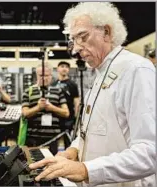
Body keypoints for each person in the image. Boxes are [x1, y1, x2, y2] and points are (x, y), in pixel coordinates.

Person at [29, 2, 156, 187]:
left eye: (83, 36)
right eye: (73, 40)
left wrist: (86, 170)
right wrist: (73, 149)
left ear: (107, 32)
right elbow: (93, 131)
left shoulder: (136, 70)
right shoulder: (100, 74)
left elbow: (150, 152)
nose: (76, 49)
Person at [22, 62, 70, 155]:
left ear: (51, 75)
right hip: (33, 138)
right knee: (32, 164)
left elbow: (66, 113)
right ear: (36, 75)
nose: (44, 78)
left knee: (51, 165)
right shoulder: (28, 91)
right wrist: (38, 107)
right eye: (41, 75)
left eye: (47, 75)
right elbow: (25, 113)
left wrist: (52, 108)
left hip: (53, 138)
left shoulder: (58, 91)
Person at [52, 61, 80, 149]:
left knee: (68, 141)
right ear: (57, 69)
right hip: (56, 117)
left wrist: (76, 117)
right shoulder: (53, 84)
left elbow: (77, 102)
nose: (64, 68)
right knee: (53, 141)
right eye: (62, 66)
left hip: (69, 118)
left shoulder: (72, 85)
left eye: (67, 67)